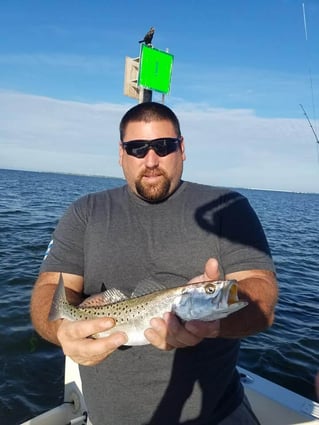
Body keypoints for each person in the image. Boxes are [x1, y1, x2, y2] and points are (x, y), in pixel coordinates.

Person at [31, 101, 278, 425]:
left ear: (182, 148)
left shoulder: (227, 208)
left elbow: (262, 294)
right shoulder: (85, 211)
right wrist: (64, 330)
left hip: (218, 415)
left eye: (163, 146)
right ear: (121, 153)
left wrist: (212, 323)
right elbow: (50, 289)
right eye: (137, 148)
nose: (151, 160)